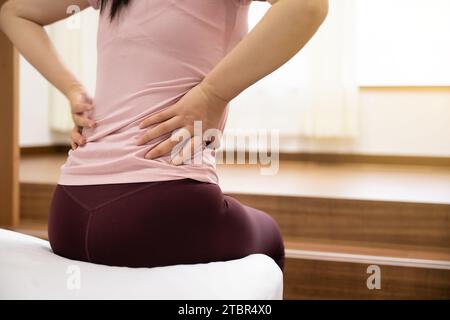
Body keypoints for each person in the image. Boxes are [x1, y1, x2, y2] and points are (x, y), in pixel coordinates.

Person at [0, 0, 328, 271]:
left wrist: (74, 91)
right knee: (269, 238)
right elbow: (309, 6)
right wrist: (212, 94)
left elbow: (14, 13)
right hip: (154, 211)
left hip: (67, 214)